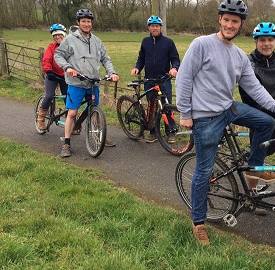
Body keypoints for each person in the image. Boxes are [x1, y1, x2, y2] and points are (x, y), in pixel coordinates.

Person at [176, 0, 275, 245]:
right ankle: (198, 221)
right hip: (205, 117)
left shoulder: (239, 56)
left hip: (229, 108)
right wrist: (185, 113)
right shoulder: (201, 45)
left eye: (234, 21)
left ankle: (253, 167)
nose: (229, 24)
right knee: (204, 170)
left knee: (267, 122)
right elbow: (184, 78)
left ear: (241, 25)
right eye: (226, 20)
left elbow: (254, 88)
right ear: (220, 20)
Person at [54, 8, 119, 158]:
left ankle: (98, 136)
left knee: (94, 111)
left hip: (93, 82)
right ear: (78, 23)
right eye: (83, 21)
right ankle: (66, 143)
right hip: (76, 82)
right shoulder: (70, 39)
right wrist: (68, 67)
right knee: (72, 112)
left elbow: (105, 59)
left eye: (89, 21)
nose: (86, 24)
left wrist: (112, 72)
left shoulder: (97, 41)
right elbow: (59, 55)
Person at [239, 21, 275, 192]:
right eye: (262, 40)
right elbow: (249, 95)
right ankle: (251, 193)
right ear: (255, 42)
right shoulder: (248, 64)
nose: (266, 44)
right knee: (258, 156)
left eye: (270, 40)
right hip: (260, 113)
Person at [131, 15, 180, 143]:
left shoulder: (168, 42)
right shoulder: (145, 42)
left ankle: (170, 133)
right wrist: (137, 68)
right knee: (151, 107)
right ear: (149, 28)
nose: (155, 28)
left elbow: (175, 58)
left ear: (161, 27)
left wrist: (174, 68)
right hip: (149, 81)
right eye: (152, 26)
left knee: (166, 106)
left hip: (164, 80)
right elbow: (141, 58)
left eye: (157, 26)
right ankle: (153, 133)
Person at [36, 23, 69, 132]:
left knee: (69, 98)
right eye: (55, 35)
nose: (57, 37)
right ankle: (40, 120)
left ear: (64, 34)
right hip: (52, 75)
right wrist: (48, 71)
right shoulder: (51, 47)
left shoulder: (70, 46)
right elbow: (46, 60)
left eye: (60, 34)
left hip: (66, 76)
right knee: (49, 95)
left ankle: (71, 123)